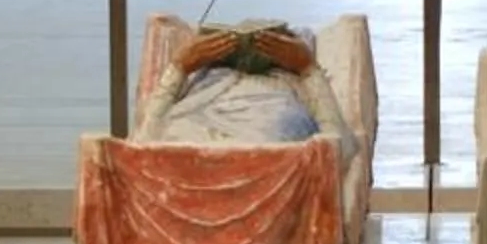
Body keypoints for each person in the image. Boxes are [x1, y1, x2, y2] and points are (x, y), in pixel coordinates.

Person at [140, 19, 354, 158]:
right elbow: (142, 147)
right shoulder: (202, 83)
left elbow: (337, 150)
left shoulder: (286, 86)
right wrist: (182, 67)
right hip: (203, 131)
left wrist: (178, 68)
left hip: (265, 135)